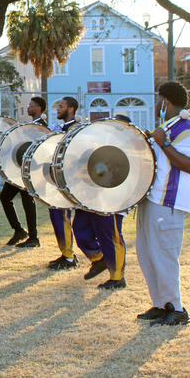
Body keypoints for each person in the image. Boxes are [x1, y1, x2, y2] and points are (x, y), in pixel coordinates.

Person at [136, 82, 190, 326]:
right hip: (151, 200)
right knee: (147, 254)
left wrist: (163, 143)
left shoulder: (187, 129)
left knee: (164, 255)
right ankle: (161, 304)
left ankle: (177, 308)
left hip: (168, 202)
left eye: (157, 98)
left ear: (166, 102)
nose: (155, 103)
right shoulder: (164, 128)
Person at [70, 114, 132, 290]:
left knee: (110, 236)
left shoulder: (129, 147)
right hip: (94, 195)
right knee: (80, 227)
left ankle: (117, 277)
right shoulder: (102, 143)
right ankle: (98, 259)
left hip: (113, 199)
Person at [2, 96, 48, 248]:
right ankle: (19, 230)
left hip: (29, 170)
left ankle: (33, 237)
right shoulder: (29, 126)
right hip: (19, 169)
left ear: (39, 109)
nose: (29, 107)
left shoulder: (41, 127)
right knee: (5, 196)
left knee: (27, 201)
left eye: (32, 105)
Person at [47, 97, 80, 270]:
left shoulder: (76, 129)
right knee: (56, 216)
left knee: (63, 216)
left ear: (71, 109)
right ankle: (65, 253)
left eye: (61, 106)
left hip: (68, 181)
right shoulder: (59, 128)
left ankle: (69, 257)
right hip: (57, 179)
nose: (58, 108)